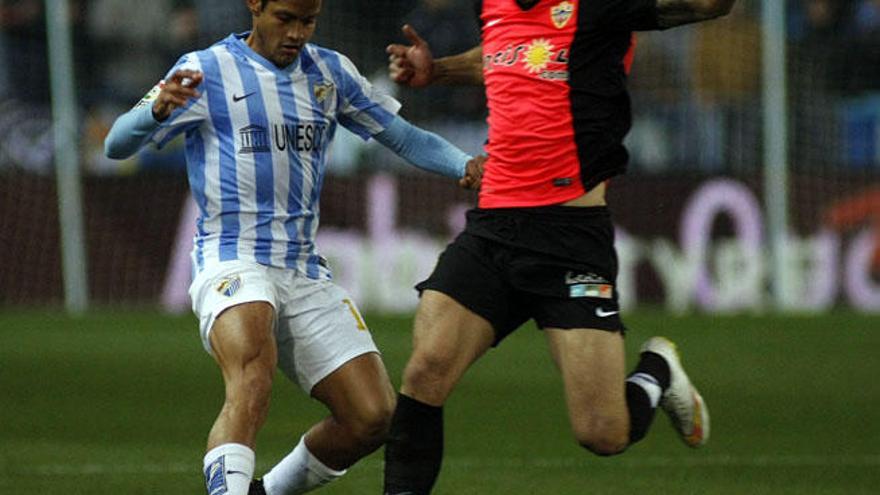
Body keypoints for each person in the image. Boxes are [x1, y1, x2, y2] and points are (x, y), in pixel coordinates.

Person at [104, 1, 482, 494]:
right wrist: (153, 113)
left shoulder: (330, 72)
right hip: (231, 256)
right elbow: (116, 143)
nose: (297, 33)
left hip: (302, 267)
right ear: (255, 6)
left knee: (372, 417)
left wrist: (463, 165)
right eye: (285, 18)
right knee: (252, 374)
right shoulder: (204, 69)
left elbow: (402, 137)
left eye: (308, 21)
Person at [381, 1, 737, 493]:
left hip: (570, 238)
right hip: (493, 229)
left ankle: (656, 371)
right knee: (425, 371)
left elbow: (704, 5)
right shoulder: (495, 6)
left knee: (603, 433)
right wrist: (438, 70)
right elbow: (509, 55)